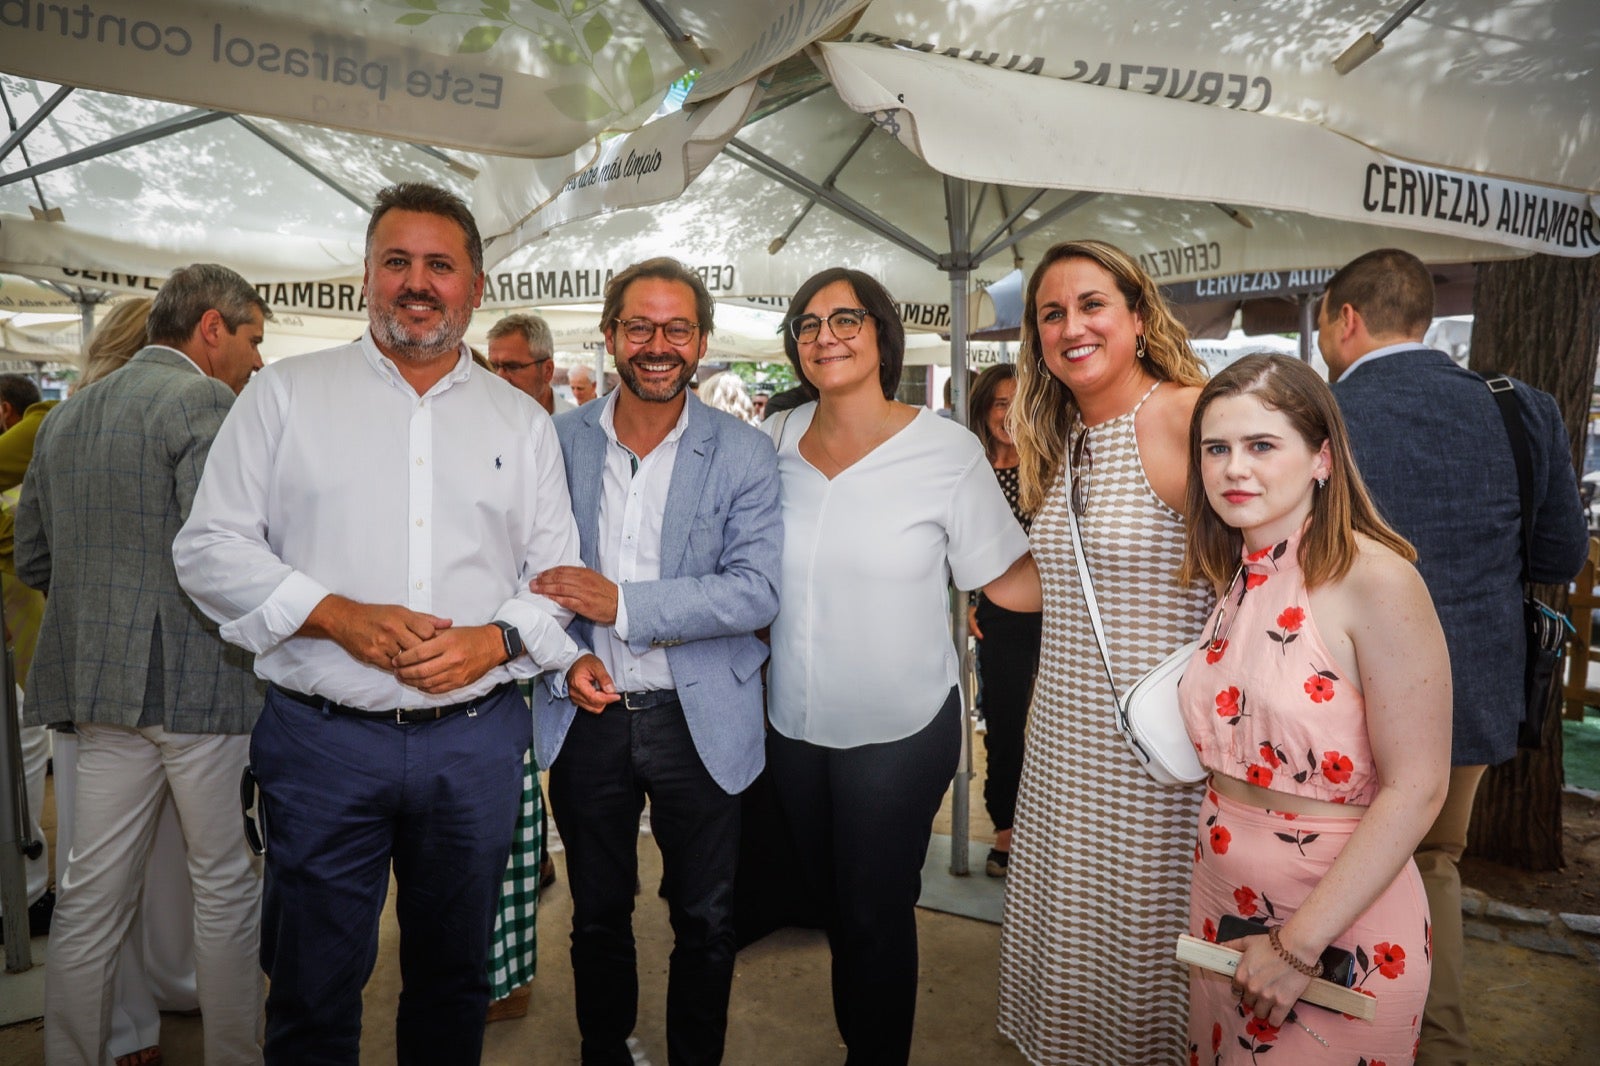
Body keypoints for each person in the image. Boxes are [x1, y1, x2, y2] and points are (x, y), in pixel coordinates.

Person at [173, 183, 590, 1064]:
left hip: (474, 742)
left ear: (474, 288)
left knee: (452, 986)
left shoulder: (523, 422)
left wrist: (495, 641)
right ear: (367, 276)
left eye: (440, 265)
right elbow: (207, 549)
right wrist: (334, 616)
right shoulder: (283, 397)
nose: (417, 282)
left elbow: (556, 584)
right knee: (313, 989)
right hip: (322, 745)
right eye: (396, 262)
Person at [1318, 248, 1589, 1065]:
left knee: (1321, 859)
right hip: (1465, 690)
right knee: (1430, 861)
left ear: (1346, 320)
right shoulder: (1521, 408)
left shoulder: (1314, 414)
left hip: (1330, 680)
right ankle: (1439, 1047)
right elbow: (1560, 552)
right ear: (1422, 321)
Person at [764, 267, 1030, 1064]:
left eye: (845, 318)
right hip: (789, 724)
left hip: (899, 727)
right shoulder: (771, 441)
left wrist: (1128, 593)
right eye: (808, 325)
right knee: (830, 906)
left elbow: (1008, 579)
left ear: (881, 333)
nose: (826, 336)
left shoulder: (946, 448)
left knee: (876, 910)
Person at [528, 256, 781, 1065]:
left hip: (698, 717)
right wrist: (562, 660)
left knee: (705, 920)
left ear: (701, 340)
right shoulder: (556, 442)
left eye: (676, 328)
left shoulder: (743, 452)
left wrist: (625, 605)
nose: (658, 344)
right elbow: (526, 572)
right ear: (610, 336)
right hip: (588, 713)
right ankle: (607, 1048)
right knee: (597, 913)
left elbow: (756, 591)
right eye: (639, 326)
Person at [16, 264, 269, 1066]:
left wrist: (107, 610)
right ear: (210, 327)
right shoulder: (203, 401)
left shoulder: (64, 416)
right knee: (224, 884)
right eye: (253, 340)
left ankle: (70, 1057)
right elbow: (224, 554)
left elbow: (33, 557)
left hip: (99, 688)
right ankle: (237, 1056)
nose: (256, 363)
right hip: (200, 687)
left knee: (90, 896)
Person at [1177, 353, 1451, 1061]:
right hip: (1223, 906)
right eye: (1217, 448)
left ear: (1322, 458)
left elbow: (1419, 788)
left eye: (1262, 446)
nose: (1235, 468)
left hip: (1334, 927)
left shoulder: (1377, 580)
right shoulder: (1237, 577)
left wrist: (1296, 949)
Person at [993, 239, 1213, 1065]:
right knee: (1078, 950)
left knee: (1149, 955)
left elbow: (1267, 582)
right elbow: (1043, 583)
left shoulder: (1185, 415)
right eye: (1053, 313)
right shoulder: (1065, 435)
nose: (1071, 326)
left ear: (1137, 316)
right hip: (1064, 742)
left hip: (1156, 755)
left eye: (1091, 305)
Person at [964, 363, 1041, 878]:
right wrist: (971, 600)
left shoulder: (1048, 466)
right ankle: (1006, 831)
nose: (1007, 414)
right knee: (1006, 725)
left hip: (1060, 610)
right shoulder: (970, 470)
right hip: (997, 612)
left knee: (1060, 727)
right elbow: (961, 542)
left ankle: (1054, 833)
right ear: (982, 409)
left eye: (1017, 402)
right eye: (998, 403)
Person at [489, 311, 572, 415]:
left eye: (512, 366)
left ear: (547, 371)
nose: (499, 377)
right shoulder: (483, 420)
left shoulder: (579, 425)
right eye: (494, 366)